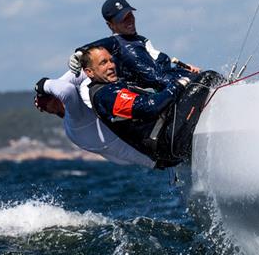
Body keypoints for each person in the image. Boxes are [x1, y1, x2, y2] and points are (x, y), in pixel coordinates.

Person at [80, 45, 219, 168]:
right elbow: (150, 107)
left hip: (169, 136)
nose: (111, 66)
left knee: (195, 79)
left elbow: (155, 81)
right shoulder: (106, 96)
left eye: (111, 60)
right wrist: (180, 84)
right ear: (89, 72)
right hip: (168, 141)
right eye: (103, 63)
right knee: (207, 77)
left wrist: (185, 74)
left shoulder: (113, 85)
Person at [69, 0, 200, 90]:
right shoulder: (115, 43)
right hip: (162, 93)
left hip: (171, 82)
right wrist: (80, 53)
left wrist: (183, 70)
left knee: (207, 76)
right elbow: (97, 46)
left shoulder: (141, 40)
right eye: (122, 19)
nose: (129, 21)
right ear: (111, 25)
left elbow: (160, 69)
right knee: (207, 78)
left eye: (129, 15)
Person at [33, 71, 155, 168]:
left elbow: (85, 71)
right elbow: (67, 89)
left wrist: (51, 86)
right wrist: (44, 84)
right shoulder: (76, 118)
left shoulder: (73, 124)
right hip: (150, 141)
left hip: (152, 157)